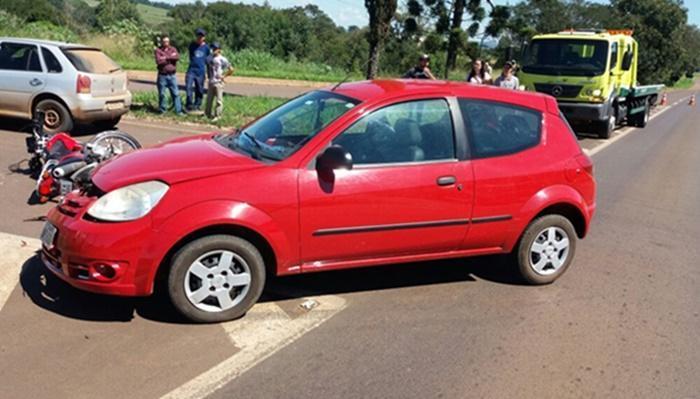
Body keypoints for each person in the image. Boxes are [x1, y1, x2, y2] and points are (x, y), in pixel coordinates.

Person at [154, 35, 183, 115]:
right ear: (162, 42)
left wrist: (165, 58)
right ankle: (163, 110)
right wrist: (170, 58)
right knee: (162, 94)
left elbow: (176, 57)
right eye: (164, 41)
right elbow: (159, 61)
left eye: (167, 41)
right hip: (162, 75)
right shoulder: (158, 50)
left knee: (176, 93)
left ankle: (178, 111)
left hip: (172, 75)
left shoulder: (173, 49)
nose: (166, 43)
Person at [205, 42, 234, 121]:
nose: (213, 50)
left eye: (215, 49)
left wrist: (224, 76)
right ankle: (207, 114)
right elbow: (208, 67)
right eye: (212, 48)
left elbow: (231, 69)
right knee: (209, 100)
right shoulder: (209, 58)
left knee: (219, 100)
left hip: (218, 82)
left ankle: (217, 115)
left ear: (219, 50)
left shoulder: (222, 59)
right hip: (211, 81)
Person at [185, 28, 211, 113]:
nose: (199, 37)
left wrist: (209, 73)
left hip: (201, 71)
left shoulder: (206, 48)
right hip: (191, 70)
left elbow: (208, 60)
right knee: (188, 87)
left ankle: (197, 105)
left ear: (204, 37)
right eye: (198, 35)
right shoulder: (192, 45)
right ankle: (189, 105)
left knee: (199, 89)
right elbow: (191, 56)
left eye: (201, 36)